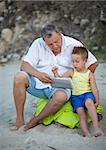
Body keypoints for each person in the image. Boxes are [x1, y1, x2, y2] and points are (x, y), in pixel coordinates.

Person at [13, 24, 99, 130]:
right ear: (44, 41)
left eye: (56, 41)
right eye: (50, 44)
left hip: (62, 87)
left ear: (60, 34)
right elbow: (24, 65)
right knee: (19, 77)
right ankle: (20, 119)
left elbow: (93, 62)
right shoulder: (38, 43)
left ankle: (34, 121)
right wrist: (38, 74)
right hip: (39, 83)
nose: (55, 46)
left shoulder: (73, 44)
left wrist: (82, 81)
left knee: (60, 97)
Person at [52, 46, 103, 137]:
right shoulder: (72, 72)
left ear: (85, 61)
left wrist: (97, 101)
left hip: (87, 94)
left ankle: (96, 129)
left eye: (77, 61)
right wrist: (55, 73)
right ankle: (86, 133)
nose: (74, 64)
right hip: (76, 97)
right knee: (81, 113)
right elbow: (61, 79)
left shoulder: (89, 74)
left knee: (89, 103)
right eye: (73, 61)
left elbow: (94, 88)